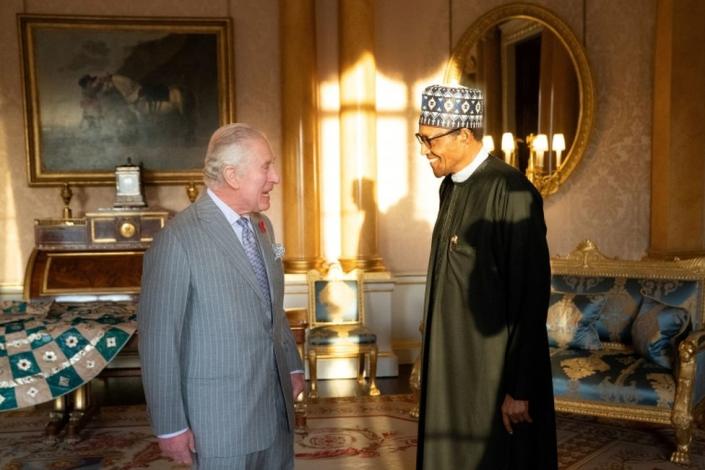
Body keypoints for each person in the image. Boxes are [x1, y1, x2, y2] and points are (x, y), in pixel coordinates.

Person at [138, 123, 305, 469]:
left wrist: (290, 365)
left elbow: (272, 306)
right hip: (220, 423)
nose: (275, 177)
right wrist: (170, 426)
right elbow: (158, 342)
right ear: (232, 175)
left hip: (275, 410)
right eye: (266, 167)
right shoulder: (178, 240)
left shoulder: (263, 227)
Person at [414, 84, 557, 469]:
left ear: (464, 134)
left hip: (493, 380)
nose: (425, 150)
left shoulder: (512, 192)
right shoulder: (450, 188)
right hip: (451, 371)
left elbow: (530, 298)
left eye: (430, 140)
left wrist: (520, 389)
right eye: (421, 138)